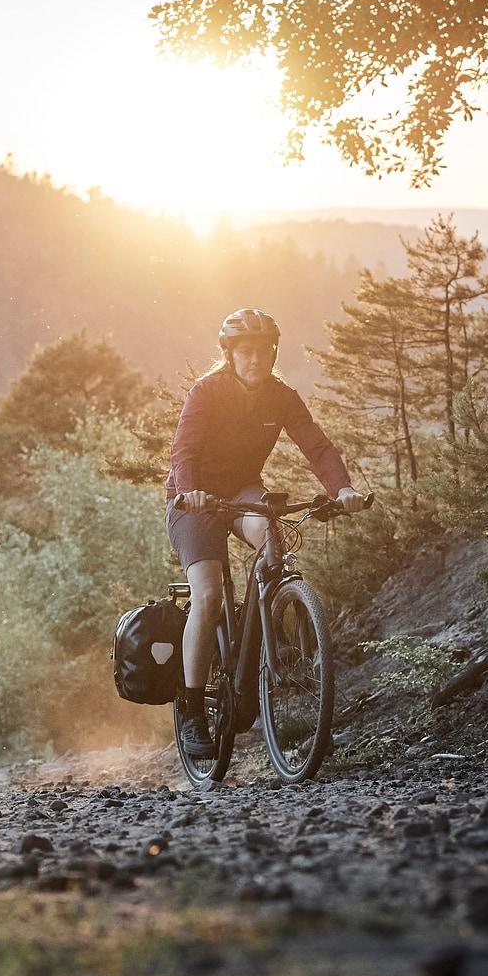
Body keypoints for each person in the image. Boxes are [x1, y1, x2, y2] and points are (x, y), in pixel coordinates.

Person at [165, 308, 368, 757]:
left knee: (274, 548)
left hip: (241, 493)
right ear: (230, 354)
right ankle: (194, 708)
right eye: (246, 351)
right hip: (193, 500)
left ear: (274, 352)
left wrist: (343, 489)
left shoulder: (281, 396)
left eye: (263, 351)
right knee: (209, 595)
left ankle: (276, 651)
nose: (256, 359)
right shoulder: (207, 392)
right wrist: (191, 492)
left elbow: (316, 445)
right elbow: (184, 451)